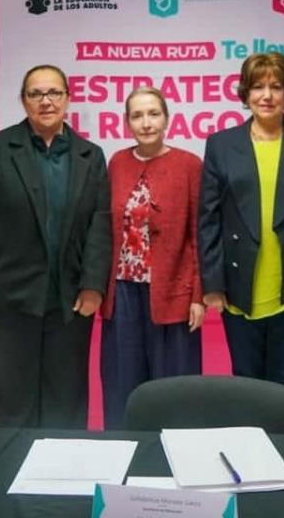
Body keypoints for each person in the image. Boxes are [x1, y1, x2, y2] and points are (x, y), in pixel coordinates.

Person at [0, 64, 111, 429]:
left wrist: (93, 285)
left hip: (69, 298)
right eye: (36, 94)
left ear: (68, 98)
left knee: (65, 396)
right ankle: (10, 458)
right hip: (6, 297)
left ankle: (64, 460)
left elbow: (99, 226)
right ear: (24, 101)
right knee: (11, 395)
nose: (46, 101)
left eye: (54, 92)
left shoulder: (90, 155)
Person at [198, 52, 284, 391]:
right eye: (257, 87)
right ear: (245, 93)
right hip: (238, 286)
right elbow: (209, 218)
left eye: (276, 87)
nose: (267, 96)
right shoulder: (221, 144)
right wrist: (213, 282)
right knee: (246, 383)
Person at [100, 87, 205, 429]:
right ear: (127, 122)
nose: (146, 123)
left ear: (167, 118)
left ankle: (175, 451)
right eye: (137, 116)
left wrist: (198, 296)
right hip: (122, 292)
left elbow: (199, 234)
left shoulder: (189, 165)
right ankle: (124, 446)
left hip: (173, 291)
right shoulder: (117, 163)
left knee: (172, 386)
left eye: (153, 114)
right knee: (122, 381)